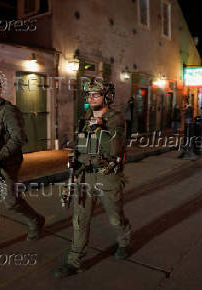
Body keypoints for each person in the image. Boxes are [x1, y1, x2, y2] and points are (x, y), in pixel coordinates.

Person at [54, 80, 131, 278]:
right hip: (85, 177)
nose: (91, 98)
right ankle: (74, 260)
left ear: (107, 97)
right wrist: (75, 160)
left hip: (107, 176)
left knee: (115, 217)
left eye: (96, 95)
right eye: (89, 95)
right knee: (80, 219)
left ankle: (123, 241)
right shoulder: (85, 117)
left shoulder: (116, 118)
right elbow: (81, 144)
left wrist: (99, 128)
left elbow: (115, 148)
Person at [0, 76, 45, 253]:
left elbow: (19, 139)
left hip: (6, 164)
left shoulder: (9, 111)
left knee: (11, 202)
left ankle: (35, 220)